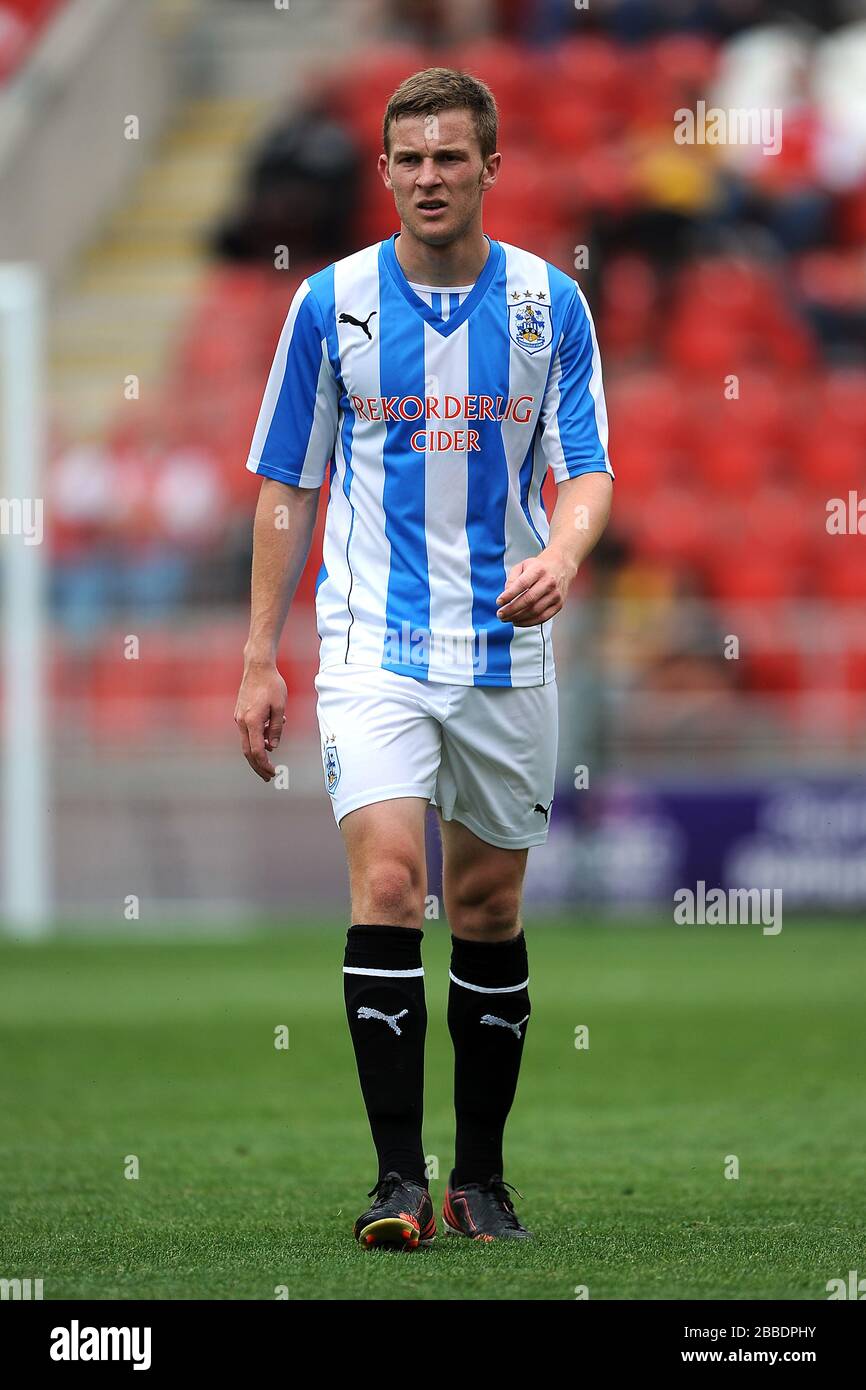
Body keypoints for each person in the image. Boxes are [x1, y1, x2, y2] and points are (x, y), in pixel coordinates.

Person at [234, 67, 614, 1247]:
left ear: (490, 169)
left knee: (488, 908)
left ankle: (481, 1178)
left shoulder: (550, 306)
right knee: (391, 885)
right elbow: (287, 487)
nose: (429, 176)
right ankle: (398, 1181)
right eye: (409, 158)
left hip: (502, 643)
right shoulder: (329, 305)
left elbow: (588, 467)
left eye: (452, 157)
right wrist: (259, 655)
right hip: (369, 644)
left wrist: (562, 549)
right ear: (384, 169)